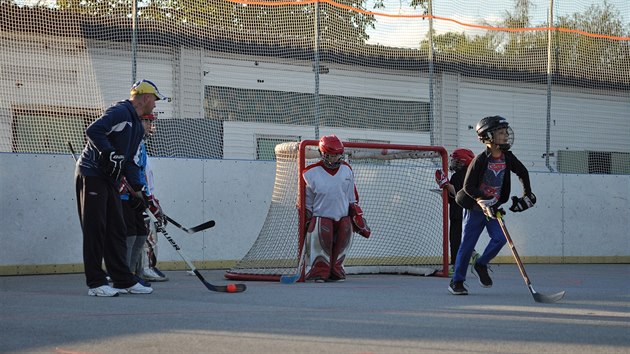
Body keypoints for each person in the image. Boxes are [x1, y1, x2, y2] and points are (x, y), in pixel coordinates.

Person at [75, 79, 167, 297]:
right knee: (95, 229)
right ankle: (96, 283)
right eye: (154, 100)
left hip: (111, 180)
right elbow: (93, 130)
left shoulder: (136, 124)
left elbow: (129, 163)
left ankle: (122, 279)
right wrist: (107, 151)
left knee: (117, 229)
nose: (155, 104)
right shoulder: (121, 112)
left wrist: (139, 191)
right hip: (92, 174)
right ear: (145, 98)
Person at [449, 115, 536, 295]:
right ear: (488, 137)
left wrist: (527, 195)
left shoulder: (508, 157)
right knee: (466, 245)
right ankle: (457, 281)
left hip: (493, 208)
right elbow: (468, 187)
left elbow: (523, 172)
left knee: (500, 238)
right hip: (475, 209)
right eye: (501, 132)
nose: (505, 136)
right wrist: (481, 199)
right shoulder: (480, 160)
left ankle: (481, 264)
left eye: (506, 132)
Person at [303, 135, 370, 282]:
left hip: (342, 216)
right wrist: (306, 221)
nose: (335, 158)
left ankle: (337, 270)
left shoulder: (347, 170)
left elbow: (352, 197)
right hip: (321, 217)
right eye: (331, 155)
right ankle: (319, 271)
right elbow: (307, 203)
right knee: (322, 232)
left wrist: (357, 215)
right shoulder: (310, 172)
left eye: (337, 155)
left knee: (346, 229)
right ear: (322, 153)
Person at [120, 113, 166, 285]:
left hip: (137, 197)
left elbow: (142, 174)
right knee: (128, 235)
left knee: (140, 234)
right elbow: (125, 167)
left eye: (149, 121)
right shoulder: (128, 140)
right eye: (145, 120)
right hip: (124, 197)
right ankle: (123, 274)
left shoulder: (141, 144)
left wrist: (148, 197)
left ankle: (133, 273)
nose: (149, 124)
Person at [435, 148, 475, 274]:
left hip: (459, 213)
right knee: (462, 239)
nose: (452, 163)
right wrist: (445, 191)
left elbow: (457, 192)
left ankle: (455, 266)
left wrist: (445, 184)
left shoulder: (459, 175)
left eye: (455, 161)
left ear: (462, 162)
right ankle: (473, 256)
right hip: (463, 212)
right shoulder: (468, 175)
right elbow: (454, 196)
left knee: (456, 240)